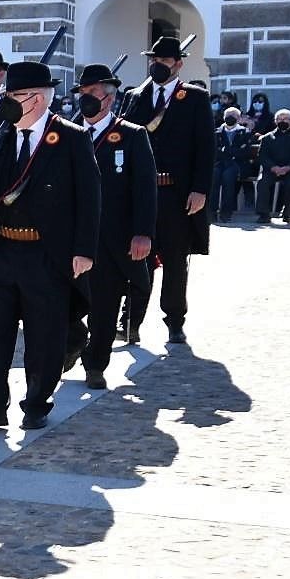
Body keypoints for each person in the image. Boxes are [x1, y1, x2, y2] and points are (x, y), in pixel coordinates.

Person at [0, 61, 99, 430]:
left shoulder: (70, 138)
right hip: (1, 252)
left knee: (44, 336)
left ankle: (36, 403)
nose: (7, 101)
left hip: (46, 254)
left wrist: (84, 250)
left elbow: (90, 198)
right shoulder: (0, 137)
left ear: (36, 99)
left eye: (13, 96)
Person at [59, 64, 156, 393]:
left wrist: (142, 232)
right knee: (62, 302)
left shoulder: (131, 135)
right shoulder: (65, 134)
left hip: (111, 239)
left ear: (110, 99)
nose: (85, 99)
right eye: (82, 94)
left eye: (92, 94)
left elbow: (145, 188)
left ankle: (96, 364)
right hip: (69, 237)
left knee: (104, 306)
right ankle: (72, 343)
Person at [118, 33, 213, 345]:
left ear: (178, 65)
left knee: (175, 261)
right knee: (136, 258)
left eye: (164, 61)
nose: (157, 65)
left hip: (176, 194)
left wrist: (200, 189)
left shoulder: (195, 98)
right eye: (154, 60)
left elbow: (205, 148)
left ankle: (174, 320)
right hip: (140, 194)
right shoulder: (136, 96)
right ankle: (130, 320)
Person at [211, 108, 252, 221]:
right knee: (214, 175)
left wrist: (225, 150)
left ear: (238, 118)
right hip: (220, 163)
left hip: (237, 164)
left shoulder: (245, 132)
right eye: (228, 115)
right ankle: (212, 212)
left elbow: (245, 152)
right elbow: (214, 151)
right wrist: (233, 151)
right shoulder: (216, 132)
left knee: (228, 177)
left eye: (233, 115)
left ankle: (226, 212)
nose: (230, 117)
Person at [256, 109, 290, 223]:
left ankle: (287, 212)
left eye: (285, 119)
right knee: (262, 182)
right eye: (280, 119)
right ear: (275, 121)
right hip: (271, 169)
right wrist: (273, 167)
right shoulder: (268, 137)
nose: (282, 121)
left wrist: (288, 167)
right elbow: (262, 156)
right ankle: (264, 214)